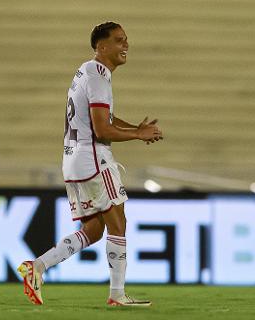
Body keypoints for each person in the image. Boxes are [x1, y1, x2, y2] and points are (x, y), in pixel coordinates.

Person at [18, 21, 163, 307]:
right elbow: (101, 130)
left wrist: (135, 127)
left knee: (94, 231)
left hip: (73, 161)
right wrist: (137, 134)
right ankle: (118, 295)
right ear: (102, 46)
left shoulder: (87, 71)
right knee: (118, 224)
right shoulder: (98, 74)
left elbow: (104, 119)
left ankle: (37, 267)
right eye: (119, 40)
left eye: (126, 40)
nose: (126, 46)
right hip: (94, 159)